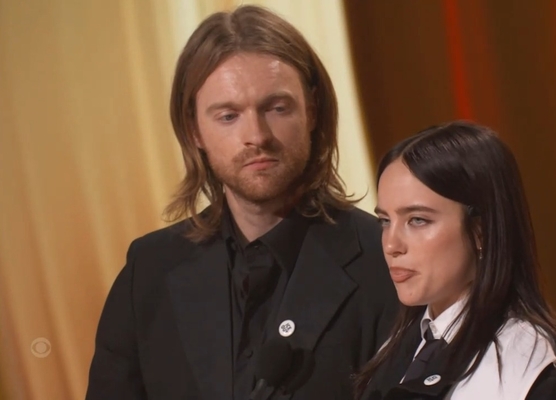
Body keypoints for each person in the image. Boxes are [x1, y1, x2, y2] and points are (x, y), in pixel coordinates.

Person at [86, 5, 397, 399]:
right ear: (193, 130)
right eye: (228, 116)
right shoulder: (148, 271)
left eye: (276, 108)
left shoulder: (385, 261)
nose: (257, 136)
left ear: (313, 111)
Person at [355, 121, 556, 400]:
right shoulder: (393, 353)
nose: (391, 245)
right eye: (385, 221)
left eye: (417, 220)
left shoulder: (530, 369)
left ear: (481, 230)